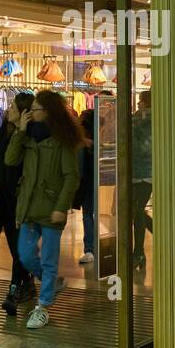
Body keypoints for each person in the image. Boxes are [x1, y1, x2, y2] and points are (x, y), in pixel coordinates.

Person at [6, 90, 85, 328]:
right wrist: (20, 131)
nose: (31, 113)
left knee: (49, 260)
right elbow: (10, 160)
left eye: (36, 109)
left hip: (52, 209)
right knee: (26, 254)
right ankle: (51, 283)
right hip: (29, 207)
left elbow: (71, 177)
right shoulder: (28, 138)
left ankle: (43, 305)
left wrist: (61, 207)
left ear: (47, 112)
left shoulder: (62, 142)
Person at [0, 91, 35, 315]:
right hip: (3, 197)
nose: (8, 109)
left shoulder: (29, 137)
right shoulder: (3, 131)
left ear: (24, 112)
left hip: (20, 198)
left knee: (19, 245)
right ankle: (28, 282)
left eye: (13, 107)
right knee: (14, 245)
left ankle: (13, 289)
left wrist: (23, 131)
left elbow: (19, 165)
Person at [131, 91, 153, 269]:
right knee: (137, 210)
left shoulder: (135, 120)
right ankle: (138, 252)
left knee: (137, 210)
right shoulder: (163, 119)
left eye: (140, 101)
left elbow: (135, 146)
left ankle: (138, 252)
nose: (138, 105)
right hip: (153, 171)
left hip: (137, 171)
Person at [75, 108, 97, 265]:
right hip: (93, 181)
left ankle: (90, 249)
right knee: (89, 214)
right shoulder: (88, 140)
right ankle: (91, 249)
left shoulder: (84, 141)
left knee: (88, 214)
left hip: (88, 181)